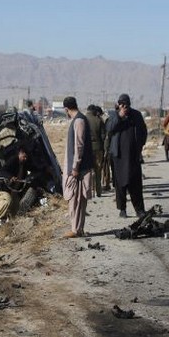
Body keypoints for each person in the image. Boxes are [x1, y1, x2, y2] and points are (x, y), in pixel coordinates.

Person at [106, 94, 147, 218]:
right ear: (118, 105)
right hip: (118, 157)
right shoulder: (113, 116)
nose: (124, 107)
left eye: (126, 104)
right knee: (120, 184)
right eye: (121, 104)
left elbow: (144, 132)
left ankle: (139, 210)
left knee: (135, 184)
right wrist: (119, 116)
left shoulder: (136, 115)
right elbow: (109, 128)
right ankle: (122, 209)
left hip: (133, 156)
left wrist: (140, 146)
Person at [62, 96, 93, 238]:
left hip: (79, 169)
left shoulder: (79, 121)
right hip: (78, 168)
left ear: (66, 109)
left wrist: (75, 167)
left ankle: (76, 230)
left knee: (76, 200)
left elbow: (79, 146)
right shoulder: (78, 120)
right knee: (76, 200)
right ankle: (77, 228)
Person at [0, 145, 35, 224]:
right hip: (4, 189)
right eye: (24, 156)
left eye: (26, 157)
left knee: (16, 208)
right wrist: (11, 177)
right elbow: (2, 171)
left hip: (14, 190)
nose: (25, 159)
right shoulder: (13, 160)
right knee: (7, 202)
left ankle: (11, 223)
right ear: (20, 153)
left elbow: (33, 168)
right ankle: (1, 217)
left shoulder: (24, 164)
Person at [86, 105, 106, 197]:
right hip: (98, 149)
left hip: (87, 150)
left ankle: (91, 191)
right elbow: (103, 136)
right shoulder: (99, 120)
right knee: (98, 170)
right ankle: (99, 191)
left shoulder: (83, 120)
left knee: (89, 171)